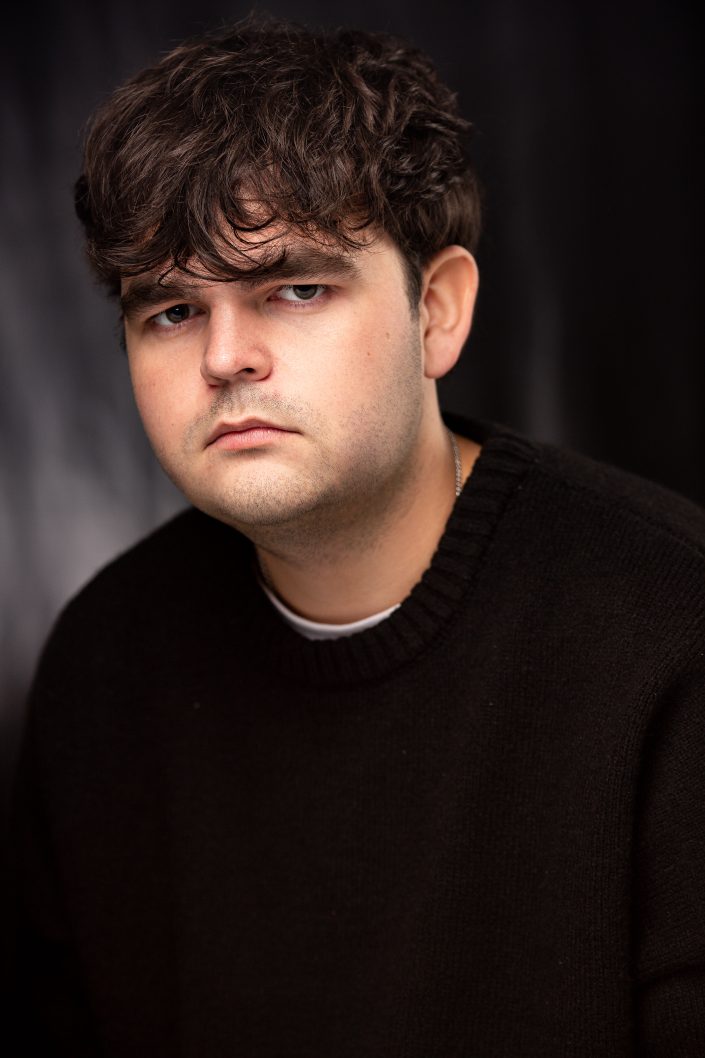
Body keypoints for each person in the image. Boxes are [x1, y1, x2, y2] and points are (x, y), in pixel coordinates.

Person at [8, 16, 705, 1058]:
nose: (227, 356)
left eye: (295, 287)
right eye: (170, 310)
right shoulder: (105, 663)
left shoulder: (669, 629)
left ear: (437, 312)